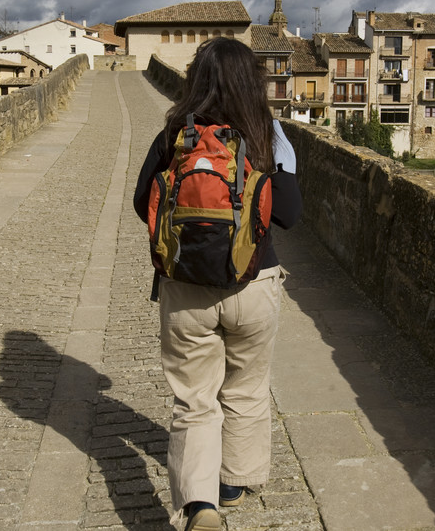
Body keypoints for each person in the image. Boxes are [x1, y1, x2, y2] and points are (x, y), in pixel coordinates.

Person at [133, 37, 302, 531]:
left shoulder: (175, 134)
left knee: (194, 399)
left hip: (185, 289)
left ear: (194, 79)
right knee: (246, 389)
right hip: (253, 284)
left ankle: (199, 505)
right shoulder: (267, 134)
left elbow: (143, 202)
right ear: (254, 81)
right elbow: (290, 215)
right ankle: (233, 483)